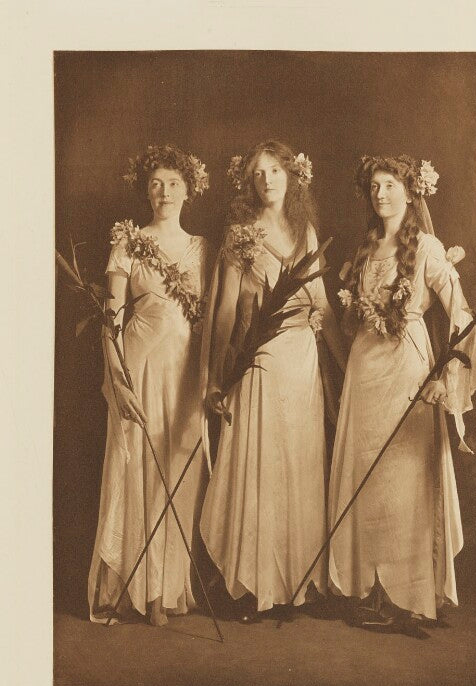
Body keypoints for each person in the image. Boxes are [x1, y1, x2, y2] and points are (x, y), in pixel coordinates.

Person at [329, 154, 476, 637]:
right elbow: (351, 320)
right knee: (369, 476)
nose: (380, 194)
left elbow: (460, 314)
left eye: (390, 185)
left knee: (404, 480)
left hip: (407, 370)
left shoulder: (426, 248)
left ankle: (413, 595)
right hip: (365, 372)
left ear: (410, 191)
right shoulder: (365, 249)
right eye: (374, 186)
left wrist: (448, 374)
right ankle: (371, 587)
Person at [200, 141, 347, 622]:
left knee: (299, 462)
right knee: (262, 462)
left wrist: (348, 367)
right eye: (258, 172)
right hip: (259, 359)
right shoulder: (240, 235)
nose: (267, 179)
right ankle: (256, 585)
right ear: (250, 182)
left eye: (276, 170)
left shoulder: (305, 230)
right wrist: (218, 376)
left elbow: (321, 303)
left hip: (301, 360)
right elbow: (225, 309)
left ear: (292, 177)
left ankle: (297, 583)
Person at [88, 144, 210, 626]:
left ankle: (170, 583)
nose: (164, 191)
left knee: (177, 469)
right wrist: (117, 374)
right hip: (139, 361)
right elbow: (112, 313)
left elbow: (210, 320)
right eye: (156, 183)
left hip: (184, 371)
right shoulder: (128, 241)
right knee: (139, 465)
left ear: (189, 190)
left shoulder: (202, 247)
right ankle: (142, 591)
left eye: (174, 183)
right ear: (146, 190)